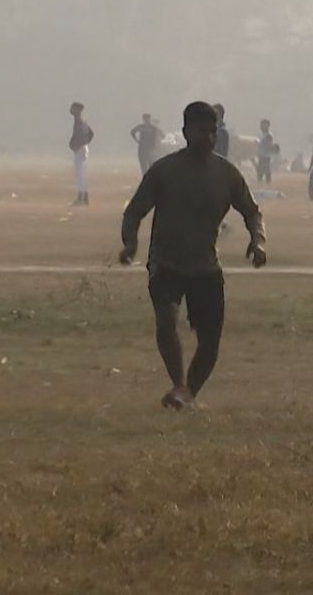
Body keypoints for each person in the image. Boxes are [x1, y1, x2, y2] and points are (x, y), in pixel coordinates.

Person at [120, 102, 265, 410]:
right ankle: (177, 383)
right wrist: (130, 244)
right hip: (166, 262)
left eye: (213, 132)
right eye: (202, 131)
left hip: (205, 266)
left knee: (210, 341)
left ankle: (187, 392)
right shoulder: (165, 170)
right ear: (186, 132)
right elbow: (134, 212)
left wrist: (258, 241)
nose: (209, 138)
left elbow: (252, 212)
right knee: (166, 321)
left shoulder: (226, 173)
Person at [68, 102, 93, 206]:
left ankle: (83, 197)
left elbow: (88, 135)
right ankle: (82, 196)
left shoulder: (79, 121)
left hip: (80, 149)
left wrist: (80, 144)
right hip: (82, 148)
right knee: (80, 172)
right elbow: (91, 134)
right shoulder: (81, 121)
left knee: (80, 173)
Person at [256, 119, 277, 184]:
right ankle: (260, 182)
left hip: (266, 156)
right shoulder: (260, 134)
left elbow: (267, 146)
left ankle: (267, 182)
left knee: (266, 170)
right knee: (260, 171)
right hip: (261, 155)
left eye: (264, 124)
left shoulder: (269, 135)